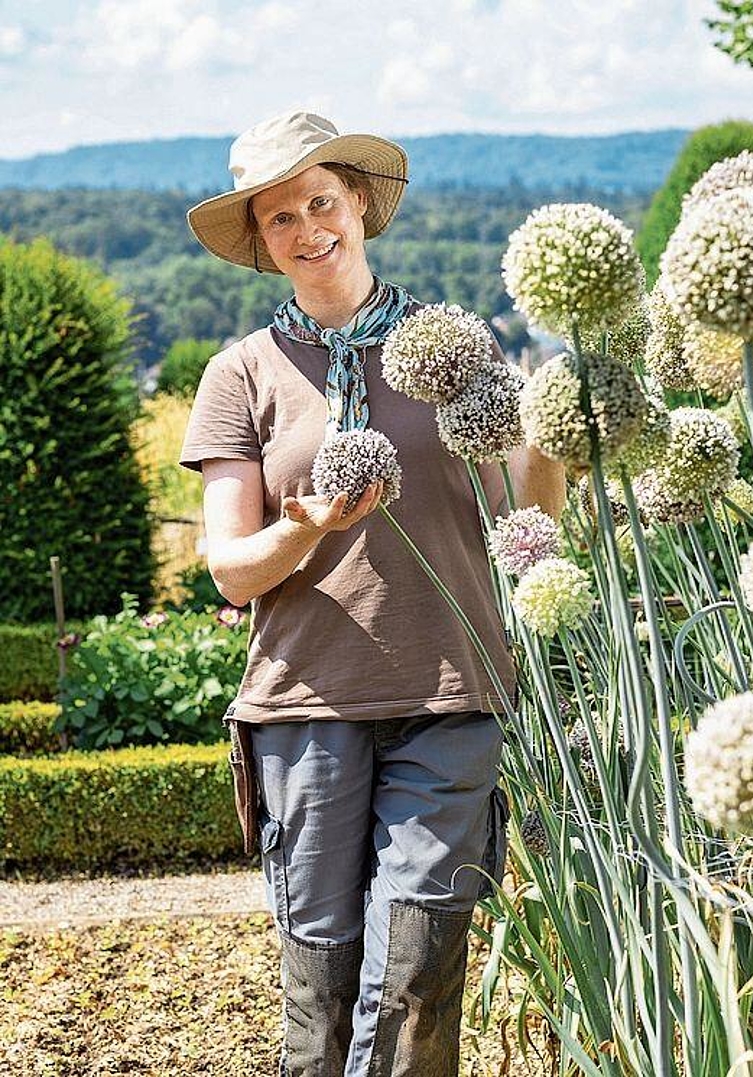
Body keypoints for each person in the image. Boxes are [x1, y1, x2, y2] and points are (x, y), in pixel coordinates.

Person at [179, 110, 565, 1077]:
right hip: (306, 700)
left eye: (321, 201)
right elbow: (229, 566)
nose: (309, 229)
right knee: (322, 972)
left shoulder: (450, 345)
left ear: (359, 202)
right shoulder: (243, 374)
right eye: (280, 218)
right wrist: (305, 527)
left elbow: (530, 511)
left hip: (452, 690)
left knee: (420, 967)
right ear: (262, 243)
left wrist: (560, 429)